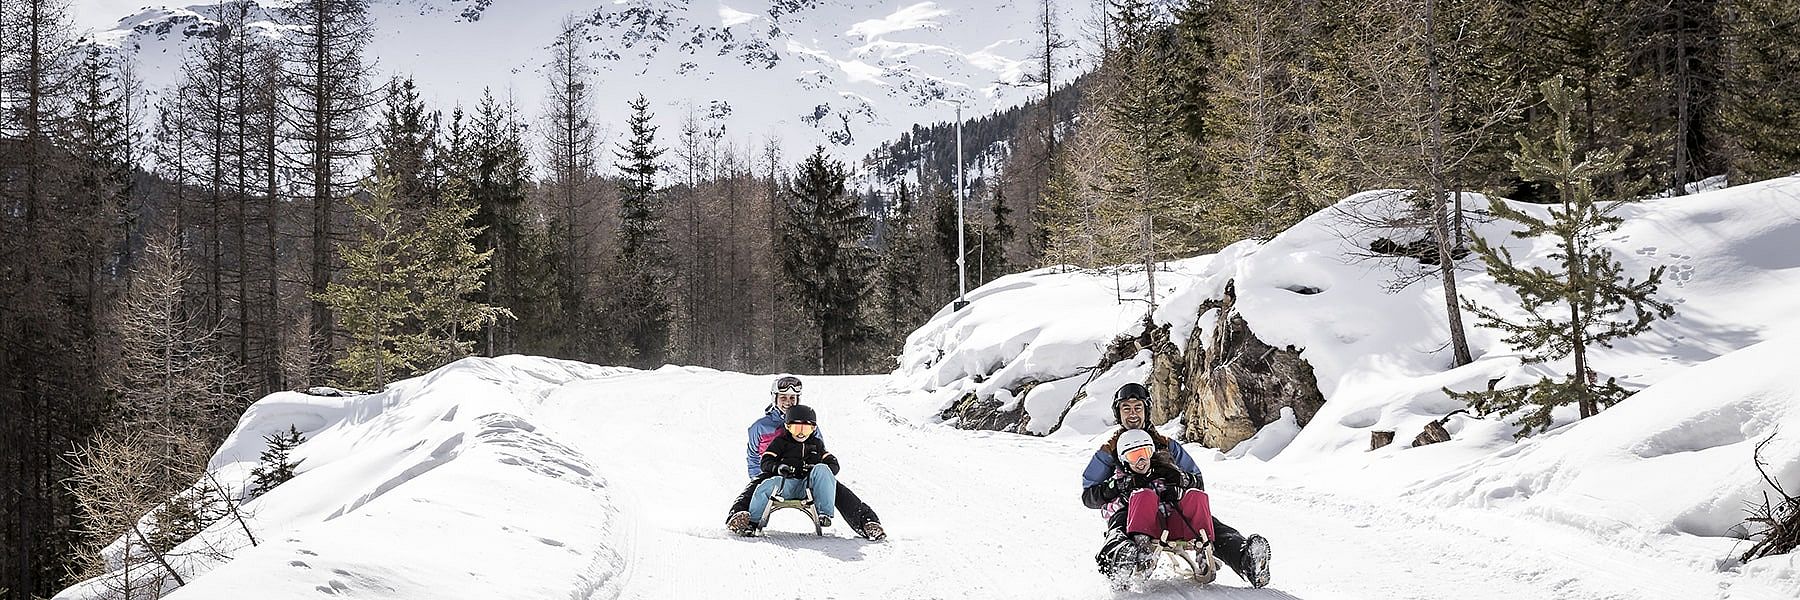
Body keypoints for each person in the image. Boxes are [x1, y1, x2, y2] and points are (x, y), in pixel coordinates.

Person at [1080, 382, 1271, 588]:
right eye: (1126, 408)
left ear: (1146, 410)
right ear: (1118, 414)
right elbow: (1089, 496)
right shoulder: (1109, 450)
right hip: (1132, 512)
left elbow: (1197, 480)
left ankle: (1247, 559)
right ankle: (1120, 562)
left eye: (1138, 408)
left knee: (1211, 526)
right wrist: (1117, 487)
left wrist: (1179, 481)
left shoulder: (1166, 445)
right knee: (1118, 528)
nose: (1132, 414)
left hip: (1171, 509)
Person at [726, 376, 886, 541]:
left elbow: (820, 451)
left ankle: (868, 522)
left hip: (806, 474)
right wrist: (759, 475)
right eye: (783, 397)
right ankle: (739, 517)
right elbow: (753, 456)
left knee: (835, 487)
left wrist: (822, 471)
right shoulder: (760, 426)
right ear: (774, 398)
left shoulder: (807, 421)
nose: (788, 402)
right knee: (756, 486)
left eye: (792, 398)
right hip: (773, 470)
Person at [745, 404, 838, 526]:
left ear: (813, 429)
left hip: (809, 486)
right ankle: (753, 521)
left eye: (805, 429)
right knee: (766, 486)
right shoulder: (780, 442)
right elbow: (765, 461)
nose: (800, 433)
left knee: (823, 468)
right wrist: (778, 468)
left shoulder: (816, 444)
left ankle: (824, 514)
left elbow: (833, 464)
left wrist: (816, 470)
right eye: (796, 428)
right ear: (787, 427)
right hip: (785, 484)